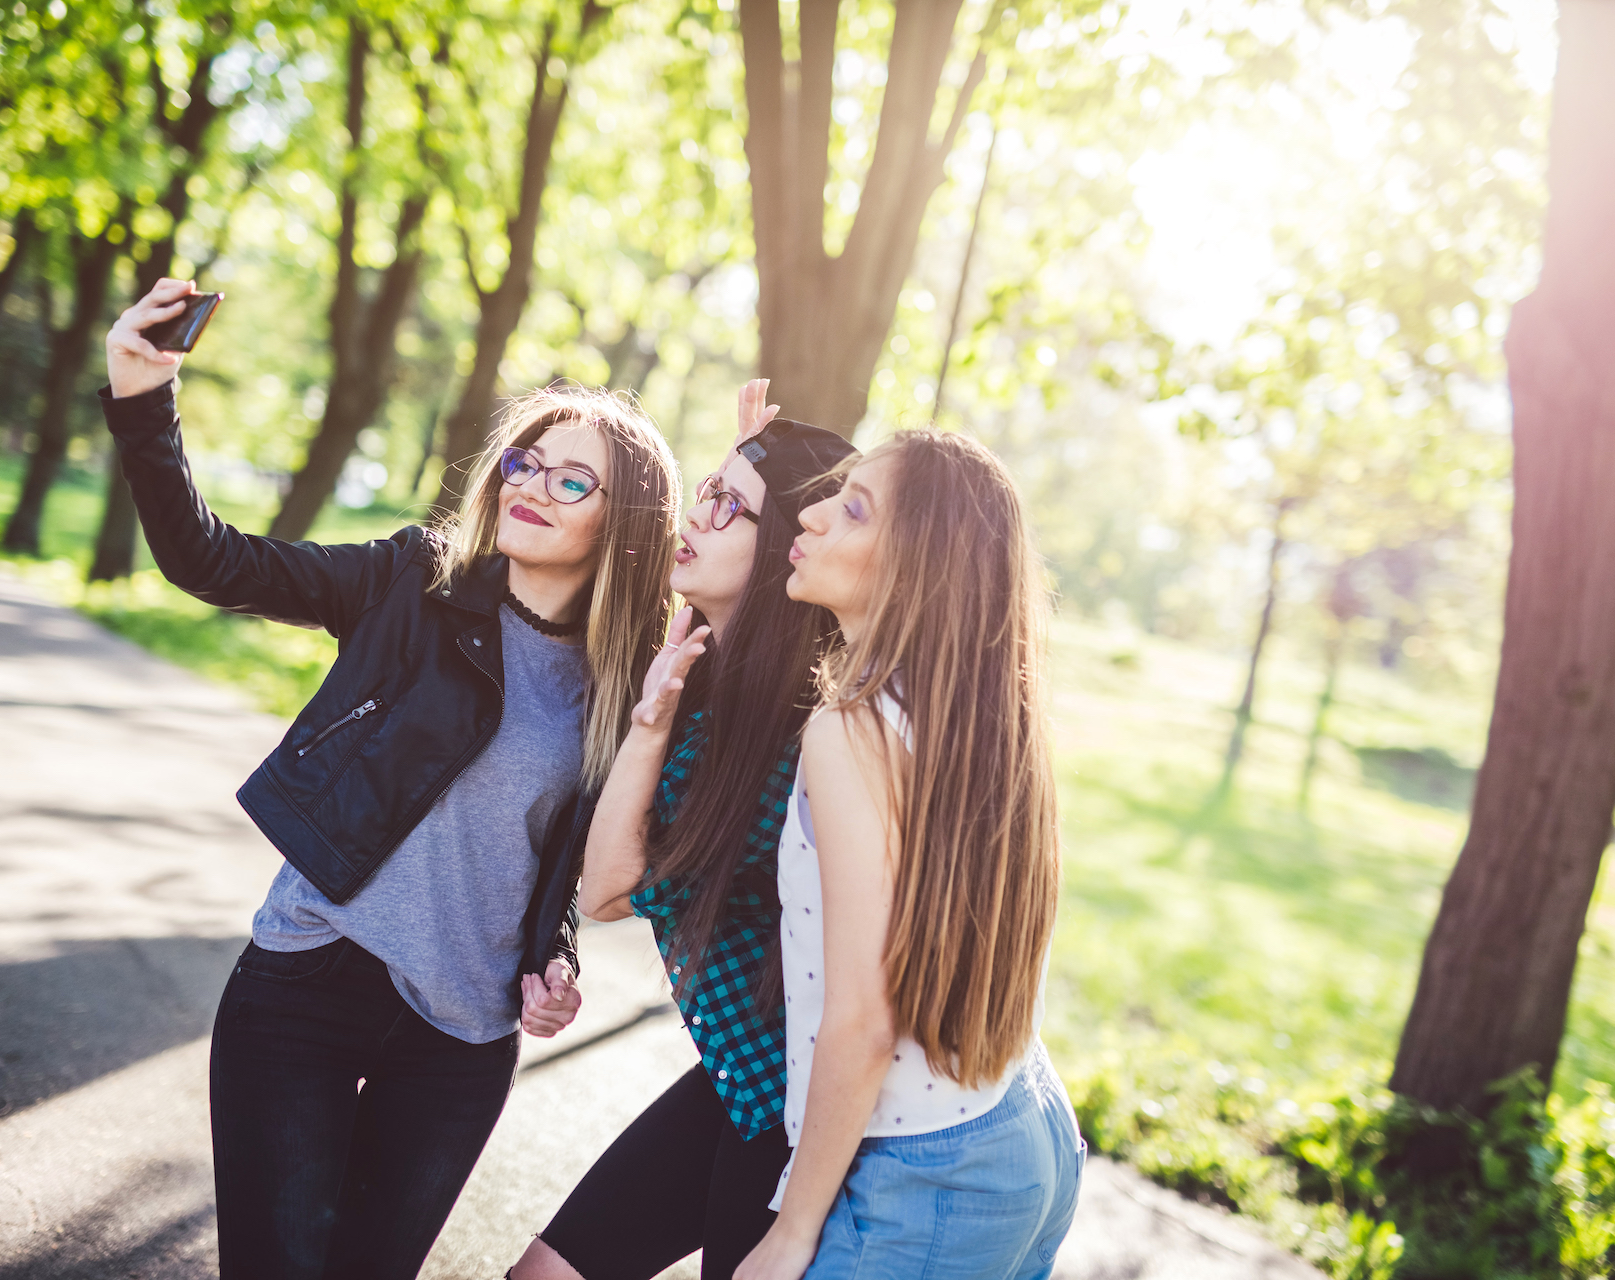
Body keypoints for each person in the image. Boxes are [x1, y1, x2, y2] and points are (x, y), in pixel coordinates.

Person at [102, 278, 681, 1280]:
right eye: (523, 460)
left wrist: (557, 960)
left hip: (458, 1038)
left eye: (571, 479)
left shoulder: (627, 685)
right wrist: (144, 396)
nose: (531, 485)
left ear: (623, 519)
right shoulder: (410, 582)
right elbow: (208, 559)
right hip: (307, 985)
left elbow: (562, 857)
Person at [510, 382, 858, 1280]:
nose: (695, 515)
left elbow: (611, 891)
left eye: (727, 506)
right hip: (739, 1081)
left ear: (782, 547)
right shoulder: (703, 673)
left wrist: (651, 726)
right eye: (702, 491)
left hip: (796, 1113)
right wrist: (752, 464)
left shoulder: (793, 733)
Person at [736, 429, 1084, 1280]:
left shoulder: (851, 727)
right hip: (1024, 1130)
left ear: (917, 571)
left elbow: (863, 1019)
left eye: (852, 508)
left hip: (921, 1177)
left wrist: (791, 1228)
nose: (811, 514)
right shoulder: (977, 719)